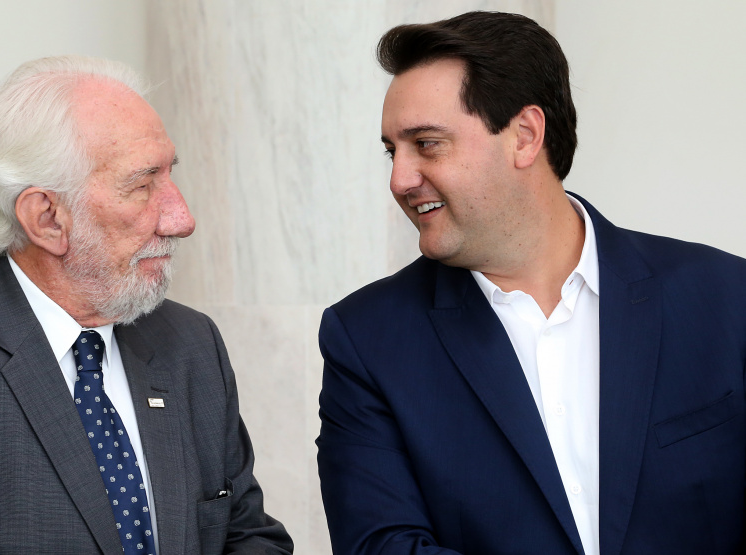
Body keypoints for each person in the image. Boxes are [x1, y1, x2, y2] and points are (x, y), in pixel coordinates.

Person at [317, 11, 746, 555]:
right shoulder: (366, 340)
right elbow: (382, 546)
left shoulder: (725, 298)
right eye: (392, 151)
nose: (400, 179)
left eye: (426, 144)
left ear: (524, 136)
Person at [0, 55, 293, 555]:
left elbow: (248, 534)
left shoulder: (190, 342)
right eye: (142, 185)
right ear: (47, 218)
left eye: (169, 175)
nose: (181, 218)